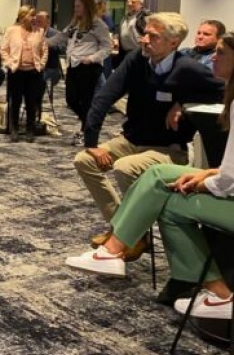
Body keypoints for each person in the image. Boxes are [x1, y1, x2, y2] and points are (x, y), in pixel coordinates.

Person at [66, 33, 234, 314]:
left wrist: (203, 183)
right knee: (156, 175)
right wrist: (211, 173)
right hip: (143, 144)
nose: (212, 57)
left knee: (168, 203)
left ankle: (116, 248)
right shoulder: (137, 61)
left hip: (179, 154)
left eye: (221, 52)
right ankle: (117, 245)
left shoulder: (192, 71)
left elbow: (228, 181)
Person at [73, 12, 224, 259]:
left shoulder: (187, 67)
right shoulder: (136, 60)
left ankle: (127, 235)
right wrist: (92, 142)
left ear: (173, 43)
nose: (144, 40)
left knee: (124, 168)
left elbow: (223, 89)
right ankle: (126, 231)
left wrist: (183, 104)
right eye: (145, 34)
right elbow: (105, 97)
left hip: (168, 149)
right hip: (131, 140)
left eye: (153, 37)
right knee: (84, 160)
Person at [55, 0, 112, 145]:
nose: (75, 9)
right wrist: (42, 41)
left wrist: (92, 58)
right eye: (75, 6)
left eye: (78, 6)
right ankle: (89, 122)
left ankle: (85, 130)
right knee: (71, 99)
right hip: (73, 65)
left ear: (87, 7)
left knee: (86, 101)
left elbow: (107, 47)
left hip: (89, 67)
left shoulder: (98, 25)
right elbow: (61, 37)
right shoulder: (75, 23)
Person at [0, 5, 48, 142]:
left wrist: (41, 65)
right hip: (16, 71)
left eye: (34, 15)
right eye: (31, 15)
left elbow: (44, 51)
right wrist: (9, 63)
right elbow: (4, 49)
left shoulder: (39, 31)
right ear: (23, 16)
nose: (34, 18)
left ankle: (30, 130)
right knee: (15, 101)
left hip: (33, 72)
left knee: (31, 102)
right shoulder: (12, 30)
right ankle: (14, 129)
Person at [115, 0, 150, 66]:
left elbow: (150, 34)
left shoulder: (145, 17)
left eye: (133, 2)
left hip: (139, 54)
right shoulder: (125, 17)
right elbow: (120, 32)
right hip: (125, 53)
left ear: (141, 4)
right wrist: (116, 39)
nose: (129, 4)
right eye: (128, 2)